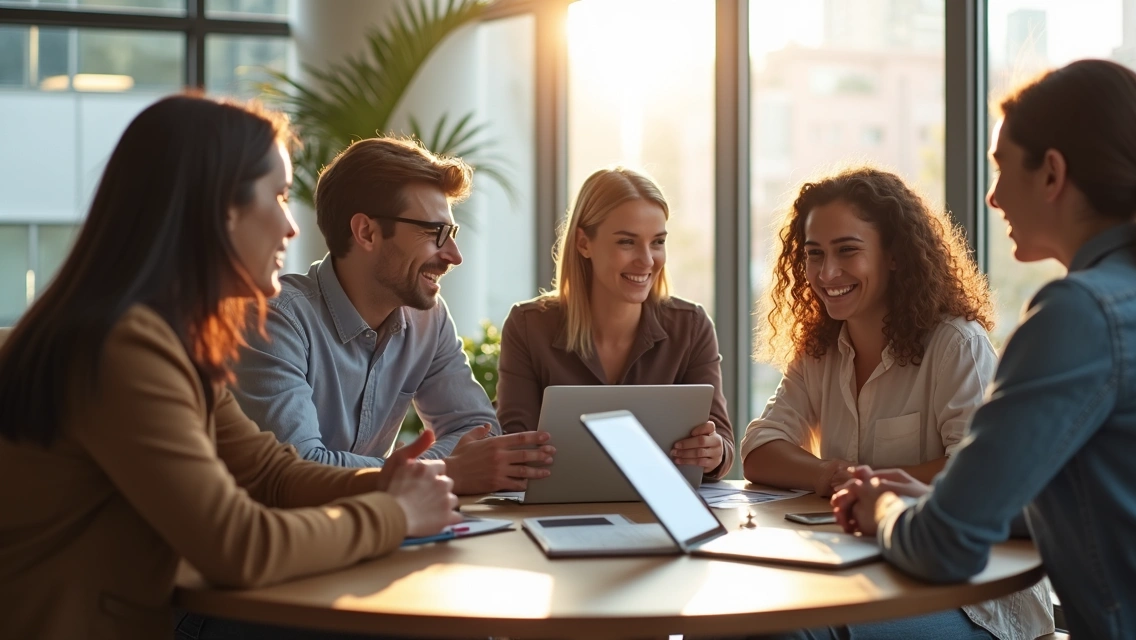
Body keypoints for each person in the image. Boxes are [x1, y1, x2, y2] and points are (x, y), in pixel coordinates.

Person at [0, 95, 460, 640]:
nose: (292, 227)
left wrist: (388, 481)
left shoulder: (169, 340)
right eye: (280, 196)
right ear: (221, 209)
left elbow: (270, 472)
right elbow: (237, 546)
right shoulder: (120, 347)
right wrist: (396, 514)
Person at [833, 59, 1136, 639]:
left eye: (1001, 169)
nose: (991, 198)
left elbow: (944, 549)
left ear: (1052, 174)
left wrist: (881, 511)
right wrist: (935, 499)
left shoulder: (1079, 314)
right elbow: (1122, 511)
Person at [741, 167, 1053, 639]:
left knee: (789, 631)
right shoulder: (819, 349)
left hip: (968, 598)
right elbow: (761, 448)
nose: (827, 273)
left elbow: (976, 479)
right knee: (726, 625)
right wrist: (835, 475)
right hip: (864, 573)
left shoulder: (955, 345)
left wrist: (874, 491)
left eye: (847, 251)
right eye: (814, 254)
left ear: (893, 255)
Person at [227, 136, 554, 494]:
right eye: (435, 233)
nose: (454, 255)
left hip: (381, 528)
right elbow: (298, 467)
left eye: (452, 233)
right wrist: (448, 471)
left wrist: (435, 469)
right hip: (286, 540)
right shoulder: (275, 321)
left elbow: (478, 432)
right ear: (366, 232)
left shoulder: (427, 319)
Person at [496, 167, 734, 479]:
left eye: (657, 242)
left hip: (662, 513)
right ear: (583, 243)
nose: (647, 260)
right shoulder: (529, 327)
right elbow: (514, 448)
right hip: (557, 514)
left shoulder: (691, 326)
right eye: (627, 242)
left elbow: (722, 444)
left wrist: (713, 452)